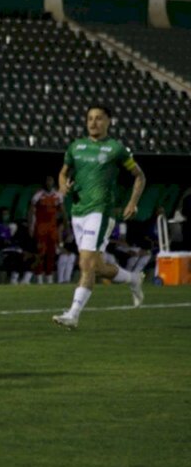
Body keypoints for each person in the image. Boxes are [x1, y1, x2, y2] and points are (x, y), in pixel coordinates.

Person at [53, 105, 146, 330]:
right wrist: (62, 185)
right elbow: (63, 172)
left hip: (100, 211)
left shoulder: (116, 149)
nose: (93, 123)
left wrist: (132, 202)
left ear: (108, 122)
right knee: (96, 266)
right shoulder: (76, 147)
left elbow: (139, 176)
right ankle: (133, 278)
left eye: (99, 119)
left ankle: (73, 314)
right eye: (90, 119)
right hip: (78, 211)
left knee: (85, 263)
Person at [29, 175, 65, 284]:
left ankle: (49, 276)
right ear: (44, 183)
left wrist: (66, 227)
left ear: (54, 182)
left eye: (51, 180)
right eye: (47, 180)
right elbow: (31, 211)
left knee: (51, 252)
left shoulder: (58, 195)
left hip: (52, 228)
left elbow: (63, 212)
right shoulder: (38, 195)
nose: (49, 182)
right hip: (40, 227)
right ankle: (39, 276)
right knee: (41, 252)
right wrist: (31, 226)